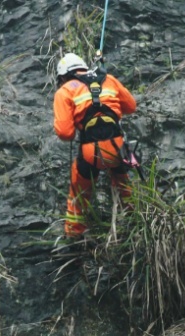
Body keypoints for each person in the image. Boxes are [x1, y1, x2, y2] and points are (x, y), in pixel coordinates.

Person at [52, 52, 138, 238]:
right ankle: (136, 222)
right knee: (123, 183)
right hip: (117, 147)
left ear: (63, 76)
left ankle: (74, 236)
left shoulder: (65, 91)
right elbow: (131, 106)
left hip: (91, 152)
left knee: (78, 194)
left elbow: (65, 134)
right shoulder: (109, 79)